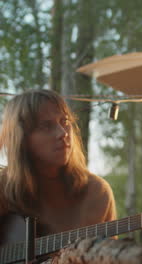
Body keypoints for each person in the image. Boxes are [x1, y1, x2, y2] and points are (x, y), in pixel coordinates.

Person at [0, 89, 116, 245]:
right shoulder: (3, 189)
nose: (63, 133)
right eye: (46, 126)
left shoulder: (97, 192)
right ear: (21, 139)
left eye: (65, 121)